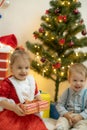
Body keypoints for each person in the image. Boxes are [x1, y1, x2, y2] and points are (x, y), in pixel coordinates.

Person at [0, 47, 48, 130]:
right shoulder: (8, 83)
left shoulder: (31, 81)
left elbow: (37, 95)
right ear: (12, 68)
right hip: (12, 113)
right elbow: (1, 101)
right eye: (19, 68)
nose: (24, 71)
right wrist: (14, 107)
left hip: (30, 114)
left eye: (26, 68)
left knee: (36, 126)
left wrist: (39, 104)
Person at [55, 63, 87, 130]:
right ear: (69, 80)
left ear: (85, 80)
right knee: (61, 121)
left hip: (81, 117)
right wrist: (65, 114)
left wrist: (81, 116)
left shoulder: (86, 93)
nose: (78, 83)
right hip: (68, 116)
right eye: (75, 80)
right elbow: (59, 104)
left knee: (84, 125)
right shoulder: (67, 92)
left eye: (81, 81)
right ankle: (60, 128)